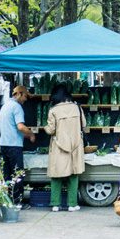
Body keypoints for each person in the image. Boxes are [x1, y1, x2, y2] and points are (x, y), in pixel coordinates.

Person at [44, 84, 86, 212]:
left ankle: (55, 204)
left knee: (57, 175)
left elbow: (51, 130)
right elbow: (83, 124)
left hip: (59, 146)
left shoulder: (53, 110)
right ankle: (72, 204)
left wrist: (44, 128)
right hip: (75, 146)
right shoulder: (77, 108)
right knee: (73, 175)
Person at [0, 85, 36, 206]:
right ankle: (18, 202)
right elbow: (20, 127)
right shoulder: (17, 107)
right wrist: (31, 134)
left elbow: (12, 128)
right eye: (25, 96)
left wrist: (24, 135)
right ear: (19, 94)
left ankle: (9, 202)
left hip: (4, 144)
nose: (25, 99)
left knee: (8, 176)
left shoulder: (5, 106)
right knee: (18, 175)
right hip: (14, 146)